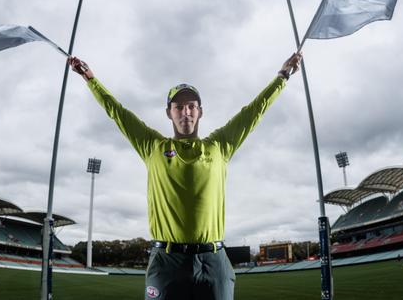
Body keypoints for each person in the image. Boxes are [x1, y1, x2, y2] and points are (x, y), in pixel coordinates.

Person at [68, 52, 302, 300]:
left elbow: (254, 111)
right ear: (169, 113)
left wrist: (283, 76)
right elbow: (117, 112)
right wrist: (90, 78)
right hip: (167, 262)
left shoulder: (219, 146)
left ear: (200, 112)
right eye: (179, 106)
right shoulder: (152, 147)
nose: (186, 112)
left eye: (191, 106)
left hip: (214, 262)